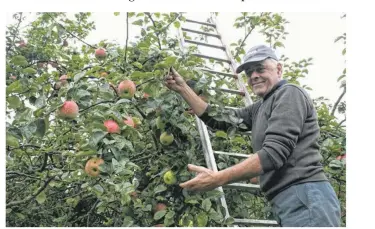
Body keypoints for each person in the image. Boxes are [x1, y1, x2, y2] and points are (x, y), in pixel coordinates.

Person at [164, 44, 341, 227]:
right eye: (249, 72)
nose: (253, 76)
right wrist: (183, 88)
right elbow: (221, 120)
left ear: (278, 69)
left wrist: (218, 178)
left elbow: (273, 154)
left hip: (305, 195)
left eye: (260, 69)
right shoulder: (260, 107)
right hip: (289, 200)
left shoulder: (289, 94)